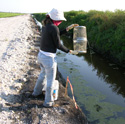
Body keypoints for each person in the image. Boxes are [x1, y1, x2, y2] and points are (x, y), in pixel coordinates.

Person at [32, 8, 79, 107]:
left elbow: (56, 35)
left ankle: (36, 93)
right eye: (60, 20)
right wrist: (69, 51)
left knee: (42, 74)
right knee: (50, 80)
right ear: (55, 19)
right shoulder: (54, 28)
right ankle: (48, 102)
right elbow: (58, 44)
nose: (61, 22)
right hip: (49, 59)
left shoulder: (45, 26)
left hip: (41, 56)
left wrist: (67, 29)